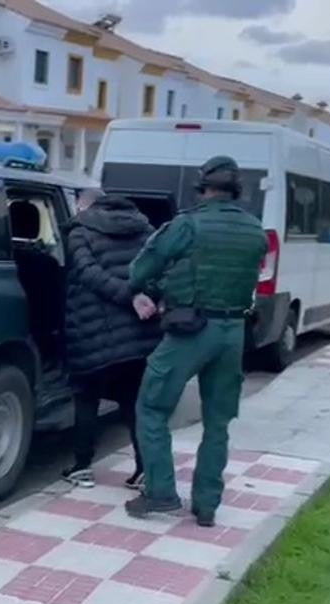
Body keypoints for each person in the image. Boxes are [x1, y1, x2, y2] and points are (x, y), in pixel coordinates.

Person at [123, 156, 268, 527]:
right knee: (217, 422)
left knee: (152, 408)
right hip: (233, 331)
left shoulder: (189, 224)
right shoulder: (255, 230)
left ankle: (160, 493)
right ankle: (206, 505)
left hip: (191, 329)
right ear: (236, 191)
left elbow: (142, 268)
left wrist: (151, 288)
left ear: (204, 189)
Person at [61, 189, 162, 489]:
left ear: (85, 205)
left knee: (86, 397)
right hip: (139, 333)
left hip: (90, 330)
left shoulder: (79, 231)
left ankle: (81, 467)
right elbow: (161, 269)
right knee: (133, 401)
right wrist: (144, 296)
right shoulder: (145, 229)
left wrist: (128, 296)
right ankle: (144, 469)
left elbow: (87, 272)